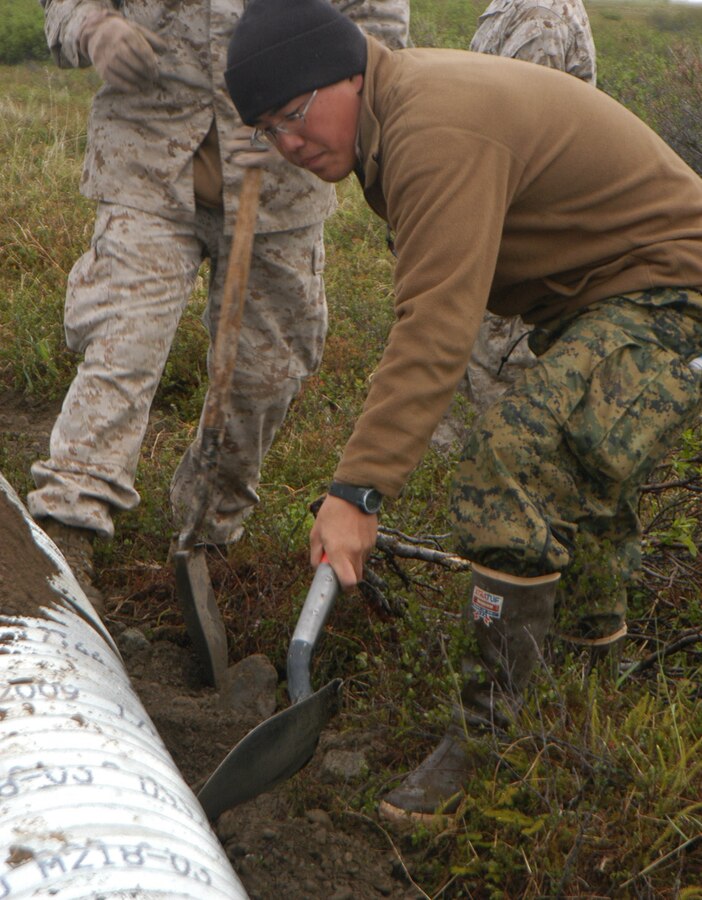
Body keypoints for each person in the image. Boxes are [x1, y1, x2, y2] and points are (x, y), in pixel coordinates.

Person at [224, 0, 702, 824]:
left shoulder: (431, 128)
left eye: (295, 114)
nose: (290, 145)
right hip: (616, 298)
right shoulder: (395, 114)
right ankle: (588, 693)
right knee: (580, 477)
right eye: (268, 131)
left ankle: (486, 747)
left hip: (673, 292)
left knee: (511, 460)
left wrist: (358, 492)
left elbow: (436, 328)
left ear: (348, 70)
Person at [30, 0, 409, 615]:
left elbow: (379, 37)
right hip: (147, 162)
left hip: (283, 171)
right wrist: (92, 28)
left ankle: (207, 534)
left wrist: (298, 101)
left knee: (266, 374)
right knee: (121, 342)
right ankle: (68, 530)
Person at [466, 0, 597, 413]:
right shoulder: (515, 6)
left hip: (521, 229)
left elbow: (515, 136)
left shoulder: (541, 16)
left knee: (502, 377)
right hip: (500, 220)